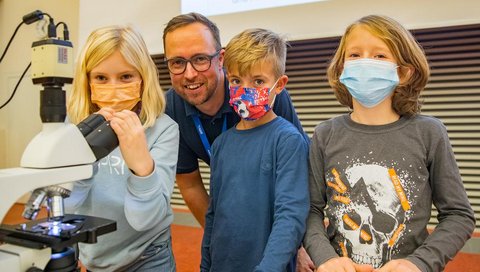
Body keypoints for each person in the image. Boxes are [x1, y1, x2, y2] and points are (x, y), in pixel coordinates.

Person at [303, 15, 475, 272]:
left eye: (379, 56)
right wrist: (326, 258)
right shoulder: (326, 134)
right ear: (341, 69)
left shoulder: (429, 133)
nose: (365, 62)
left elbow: (459, 216)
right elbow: (310, 210)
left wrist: (418, 264)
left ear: (404, 72)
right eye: (355, 55)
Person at [163, 13, 315, 271]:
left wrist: (298, 247)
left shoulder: (285, 135)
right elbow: (205, 203)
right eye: (178, 62)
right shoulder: (215, 140)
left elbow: (295, 200)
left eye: (200, 59)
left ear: (219, 60)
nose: (189, 73)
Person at [65, 25, 179, 272]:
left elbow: (145, 220)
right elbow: (66, 209)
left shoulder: (163, 129)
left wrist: (142, 166)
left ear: (143, 78)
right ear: (87, 81)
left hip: (148, 257)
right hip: (94, 257)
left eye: (126, 77)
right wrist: (84, 158)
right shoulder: (72, 127)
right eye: (101, 78)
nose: (114, 89)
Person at [200, 28, 309, 272]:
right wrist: (205, 266)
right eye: (237, 81)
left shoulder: (288, 141)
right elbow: (214, 214)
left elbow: (290, 215)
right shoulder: (221, 145)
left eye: (258, 81)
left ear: (279, 85)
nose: (245, 89)